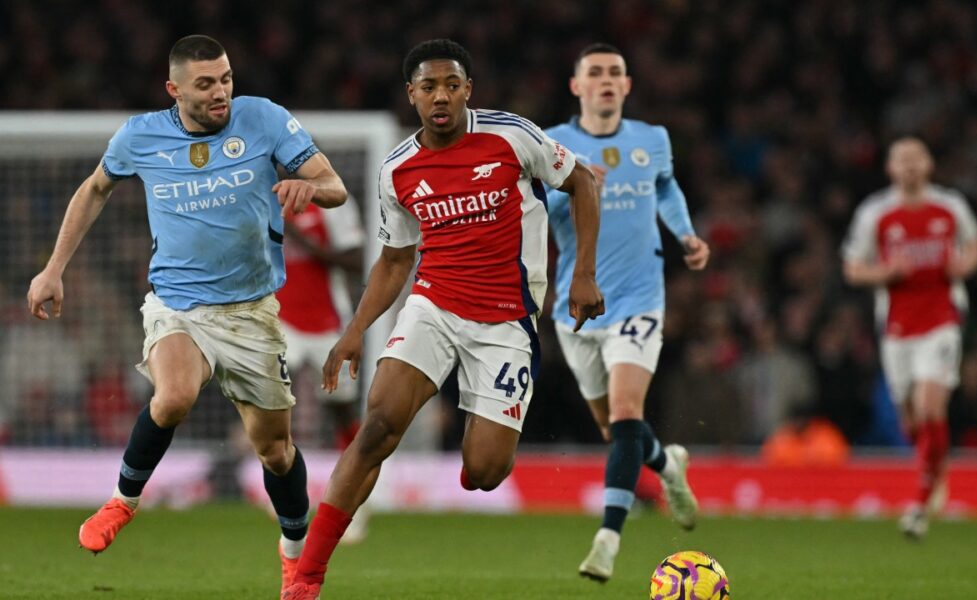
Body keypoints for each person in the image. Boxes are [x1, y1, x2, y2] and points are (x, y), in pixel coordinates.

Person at [280, 39, 604, 599]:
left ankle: (477, 454)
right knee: (377, 425)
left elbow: (583, 182)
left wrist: (583, 275)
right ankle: (304, 577)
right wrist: (354, 331)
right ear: (412, 94)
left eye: (452, 85)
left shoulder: (511, 136)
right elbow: (396, 260)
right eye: (428, 86)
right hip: (434, 306)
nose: (441, 96)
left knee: (485, 472)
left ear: (467, 90)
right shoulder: (398, 170)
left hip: (506, 322)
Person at [25, 35, 349, 595]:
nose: (221, 91)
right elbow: (95, 189)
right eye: (206, 83)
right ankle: (122, 502)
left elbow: (336, 187)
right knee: (172, 396)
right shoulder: (141, 135)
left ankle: (295, 557)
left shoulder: (264, 119)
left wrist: (309, 187)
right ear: (175, 89)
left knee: (275, 452)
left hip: (251, 313)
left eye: (225, 78)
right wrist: (53, 269)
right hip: (178, 303)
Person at [543, 43, 709, 582]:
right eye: (595, 72)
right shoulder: (554, 143)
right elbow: (540, 209)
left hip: (640, 297)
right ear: (577, 87)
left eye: (615, 72)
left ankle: (607, 541)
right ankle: (668, 466)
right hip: (577, 305)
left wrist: (684, 234)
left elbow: (665, 187)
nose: (606, 80)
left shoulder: (652, 140)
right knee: (618, 431)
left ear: (627, 85)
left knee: (624, 412)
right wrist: (579, 187)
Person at [842, 136, 977, 540]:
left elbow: (974, 246)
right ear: (890, 168)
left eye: (915, 158)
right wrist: (883, 273)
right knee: (910, 418)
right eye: (901, 159)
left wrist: (964, 265)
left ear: (929, 165)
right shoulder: (875, 213)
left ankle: (919, 505)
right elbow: (853, 268)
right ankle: (935, 462)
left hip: (941, 319)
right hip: (898, 326)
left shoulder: (951, 206)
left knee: (929, 406)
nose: (909, 166)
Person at [275, 196, 369, 542]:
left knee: (341, 413)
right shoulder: (264, 196)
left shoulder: (332, 203)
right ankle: (285, 495)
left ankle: (352, 502)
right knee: (271, 405)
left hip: (329, 324)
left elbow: (357, 261)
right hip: (279, 321)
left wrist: (299, 238)